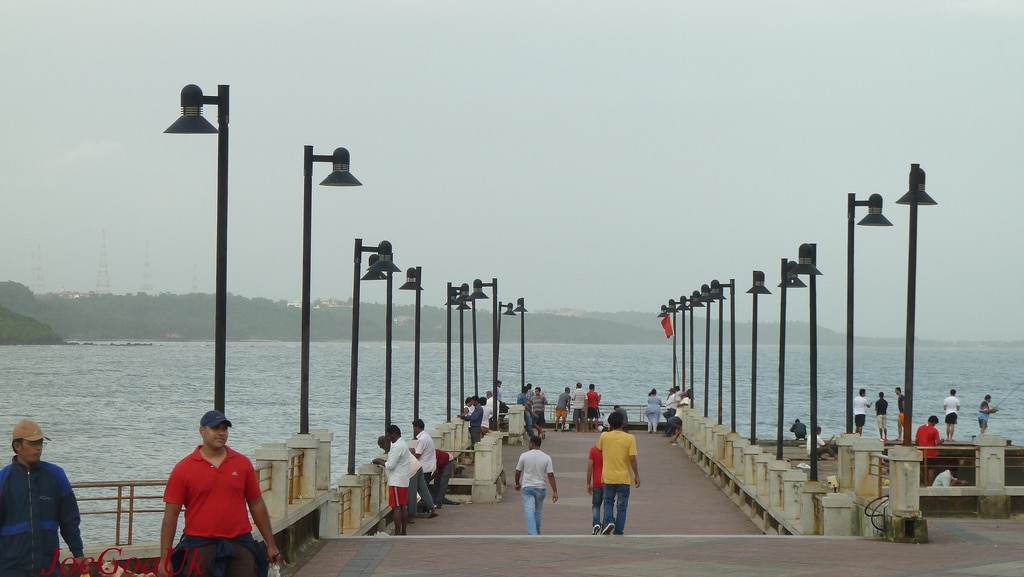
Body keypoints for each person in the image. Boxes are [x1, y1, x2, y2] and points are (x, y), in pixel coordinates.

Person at [159, 411, 280, 577]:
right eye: (215, 428)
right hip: (200, 545)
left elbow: (256, 504)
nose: (221, 433)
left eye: (224, 428)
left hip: (239, 543)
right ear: (202, 431)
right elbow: (170, 516)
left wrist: (271, 544)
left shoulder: (242, 463)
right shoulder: (183, 469)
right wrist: (165, 560)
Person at [1, 420, 89, 577]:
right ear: (17, 446)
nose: (39, 447)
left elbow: (69, 520)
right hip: (10, 569)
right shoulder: (3, 480)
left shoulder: (56, 476)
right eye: (33, 443)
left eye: (41, 443)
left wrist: (78, 553)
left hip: (48, 568)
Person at [596, 411, 639, 535]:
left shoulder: (604, 436)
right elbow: (632, 458)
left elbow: (599, 449)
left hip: (608, 476)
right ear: (623, 422)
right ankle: (619, 531)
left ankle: (609, 521)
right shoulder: (630, 438)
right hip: (624, 477)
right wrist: (636, 475)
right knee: (622, 506)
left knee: (608, 502)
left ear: (609, 424)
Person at [513, 435, 558, 535]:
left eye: (529, 443)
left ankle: (533, 533)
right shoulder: (546, 457)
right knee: (538, 512)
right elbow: (550, 475)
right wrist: (555, 491)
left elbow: (518, 471)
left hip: (527, 487)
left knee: (529, 510)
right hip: (540, 488)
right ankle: (537, 532)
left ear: (532, 444)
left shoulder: (524, 456)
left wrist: (517, 483)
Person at [371, 425, 411, 535]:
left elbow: (390, 465)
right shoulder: (404, 445)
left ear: (394, 434)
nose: (389, 439)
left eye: (389, 436)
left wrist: (379, 461)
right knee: (403, 506)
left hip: (396, 481)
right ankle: (403, 531)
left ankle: (398, 532)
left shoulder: (397, 446)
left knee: (396, 508)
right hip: (404, 480)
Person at [411, 419, 439, 518]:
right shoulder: (426, 436)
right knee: (424, 489)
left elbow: (417, 454)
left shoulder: (422, 439)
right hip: (428, 466)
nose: (414, 430)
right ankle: (430, 508)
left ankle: (428, 508)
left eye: (414, 428)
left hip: (424, 467)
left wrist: (408, 459)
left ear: (417, 427)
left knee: (422, 489)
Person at [915, 415, 942, 486]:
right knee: (931, 470)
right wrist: (942, 441)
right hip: (931, 453)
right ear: (934, 422)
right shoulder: (934, 430)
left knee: (923, 470)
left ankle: (923, 484)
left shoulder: (920, 428)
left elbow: (916, 440)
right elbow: (938, 442)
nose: (934, 425)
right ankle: (929, 485)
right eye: (935, 424)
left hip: (921, 452)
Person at [586, 442, 605, 534]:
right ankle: (606, 525)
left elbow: (589, 468)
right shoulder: (610, 450)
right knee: (608, 505)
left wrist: (588, 483)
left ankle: (596, 523)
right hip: (609, 482)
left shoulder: (593, 450)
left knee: (596, 505)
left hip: (597, 482)